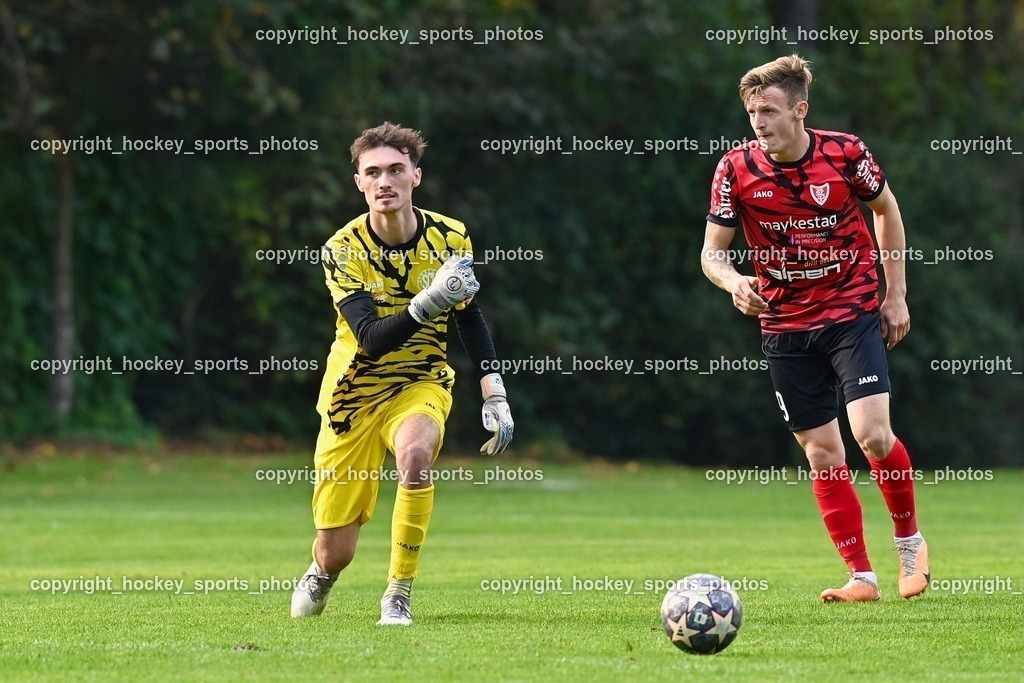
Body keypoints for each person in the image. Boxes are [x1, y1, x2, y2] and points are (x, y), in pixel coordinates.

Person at [700, 55, 928, 602]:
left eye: (770, 110)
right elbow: (712, 254)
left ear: (800, 110)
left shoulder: (844, 153)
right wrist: (732, 282)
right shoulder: (734, 168)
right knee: (823, 453)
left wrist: (895, 294)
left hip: (851, 310)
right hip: (784, 325)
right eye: (752, 111)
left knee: (872, 435)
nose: (758, 121)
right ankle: (861, 578)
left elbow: (886, 211)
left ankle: (909, 543)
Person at [291, 122, 514, 624]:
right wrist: (429, 299)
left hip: (420, 380)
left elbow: (469, 315)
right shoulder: (342, 249)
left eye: (396, 169)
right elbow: (368, 338)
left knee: (415, 456)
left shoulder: (450, 236)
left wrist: (493, 391)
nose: (384, 180)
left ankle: (398, 592)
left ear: (417, 176)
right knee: (336, 552)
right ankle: (322, 573)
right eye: (373, 172)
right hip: (352, 393)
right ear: (359, 183)